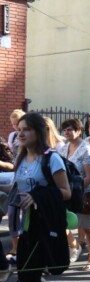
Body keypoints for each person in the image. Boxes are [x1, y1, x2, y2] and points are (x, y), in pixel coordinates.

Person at [14, 113, 72, 282]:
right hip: (27, 223)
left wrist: (37, 196)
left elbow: (65, 191)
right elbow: (17, 188)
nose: (21, 133)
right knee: (27, 272)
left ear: (38, 132)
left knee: (30, 275)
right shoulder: (21, 157)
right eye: (19, 129)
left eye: (27, 129)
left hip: (45, 223)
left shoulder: (51, 158)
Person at [60, 118, 90, 270]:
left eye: (70, 129)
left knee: (87, 227)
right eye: (65, 130)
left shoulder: (86, 149)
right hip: (68, 192)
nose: (67, 133)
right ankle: (74, 246)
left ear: (78, 131)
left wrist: (75, 189)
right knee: (62, 221)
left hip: (84, 193)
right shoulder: (64, 148)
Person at [6, 109, 25, 263]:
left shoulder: (28, 136)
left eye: (16, 123)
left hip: (26, 177)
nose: (14, 127)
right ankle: (15, 246)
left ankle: (24, 246)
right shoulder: (13, 136)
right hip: (16, 176)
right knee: (12, 213)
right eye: (12, 123)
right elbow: (12, 156)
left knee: (26, 214)